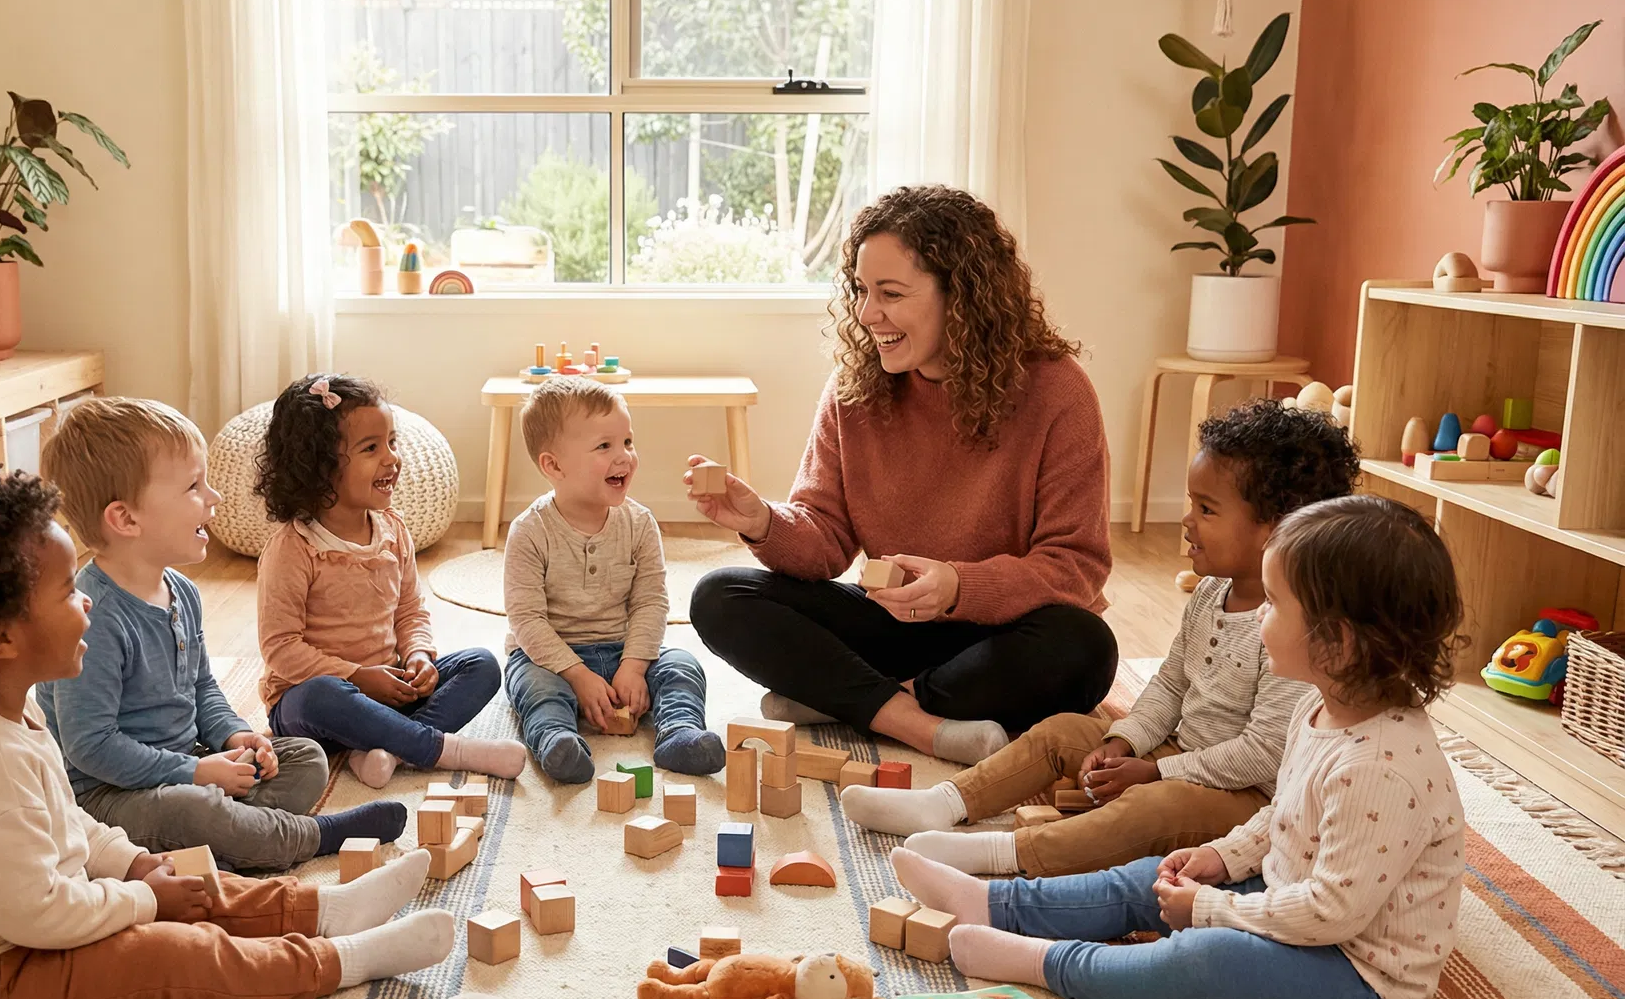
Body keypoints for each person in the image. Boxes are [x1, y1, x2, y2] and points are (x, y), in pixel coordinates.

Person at [0, 470, 454, 999]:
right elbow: (37, 915)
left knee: (184, 879)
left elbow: (68, 820)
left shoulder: (2, 707)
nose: (86, 598)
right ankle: (342, 961)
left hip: (30, 928)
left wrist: (136, 863)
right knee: (167, 952)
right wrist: (144, 902)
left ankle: (326, 911)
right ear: (1, 639)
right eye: (66, 592)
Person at [889, 496, 1466, 999]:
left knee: (1206, 959)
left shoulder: (1381, 769)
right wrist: (1223, 857)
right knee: (1152, 877)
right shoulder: (1320, 706)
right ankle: (994, 906)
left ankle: (1046, 963)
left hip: (1355, 972)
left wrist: (1214, 909)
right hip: (1291, 897)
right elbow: (1283, 815)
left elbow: (1331, 913)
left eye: (1275, 603)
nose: (1259, 613)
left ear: (1336, 644)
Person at [687, 184, 1116, 765]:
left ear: (961, 297)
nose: (867, 315)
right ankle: (919, 724)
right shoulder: (855, 388)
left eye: (890, 293)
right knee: (720, 595)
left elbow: (1076, 567)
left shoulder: (1056, 391)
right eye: (862, 291)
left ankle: (850, 699)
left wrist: (958, 586)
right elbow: (827, 540)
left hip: (998, 636)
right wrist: (762, 521)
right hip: (890, 626)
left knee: (1085, 648)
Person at [850, 399, 1360, 878]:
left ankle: (1002, 854)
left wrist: (1157, 774)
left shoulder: (1298, 628)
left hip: (1246, 797)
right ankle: (943, 803)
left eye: (1206, 509)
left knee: (1153, 807)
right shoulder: (1210, 593)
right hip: (1178, 753)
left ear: (1277, 529)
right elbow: (1169, 684)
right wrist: (1125, 741)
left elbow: (1264, 753)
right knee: (1062, 731)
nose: (1185, 520)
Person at [37, 396, 402, 870]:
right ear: (126, 519)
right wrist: (192, 772)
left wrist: (234, 738)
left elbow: (203, 687)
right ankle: (308, 836)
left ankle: (226, 842)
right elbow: (91, 747)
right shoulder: (96, 616)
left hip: (188, 761)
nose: (214, 497)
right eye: (194, 486)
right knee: (190, 810)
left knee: (305, 758)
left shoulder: (182, 592)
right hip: (110, 797)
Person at [258, 375, 523, 788]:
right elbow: (281, 648)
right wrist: (358, 676)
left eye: (392, 443)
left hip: (389, 686)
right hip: (313, 704)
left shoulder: (392, 530)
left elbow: (410, 610)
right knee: (322, 695)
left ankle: (387, 751)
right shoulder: (294, 548)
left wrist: (417, 654)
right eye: (371, 448)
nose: (391, 459)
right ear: (319, 466)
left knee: (482, 664)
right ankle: (442, 749)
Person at [502, 377, 725, 783]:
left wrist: (635, 666)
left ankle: (679, 734)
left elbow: (651, 602)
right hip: (552, 658)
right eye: (605, 446)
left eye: (627, 442)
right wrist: (577, 675)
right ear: (553, 466)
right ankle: (557, 742)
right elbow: (526, 621)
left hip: (625, 649)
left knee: (682, 664)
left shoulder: (639, 523)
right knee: (534, 686)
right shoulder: (529, 531)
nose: (624, 456)